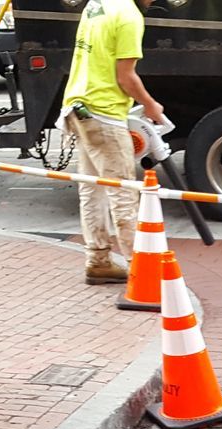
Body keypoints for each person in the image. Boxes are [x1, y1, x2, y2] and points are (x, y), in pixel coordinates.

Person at [62, 0, 167, 284]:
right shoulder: (130, 16)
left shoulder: (97, 5)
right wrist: (150, 105)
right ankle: (141, 270)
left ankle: (98, 260)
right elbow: (126, 77)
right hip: (104, 113)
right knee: (123, 193)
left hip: (79, 106)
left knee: (92, 189)